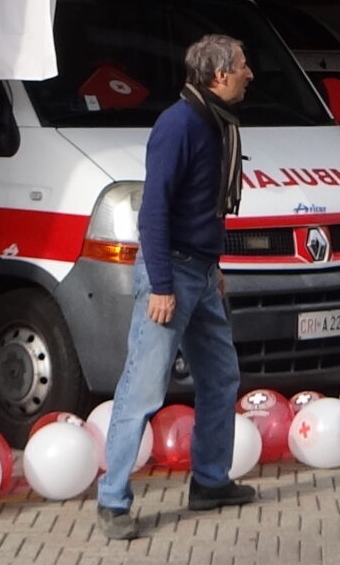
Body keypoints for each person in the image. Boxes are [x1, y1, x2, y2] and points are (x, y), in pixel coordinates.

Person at [96, 33, 261, 538]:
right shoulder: (180, 125)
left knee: (220, 377)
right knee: (142, 389)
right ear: (218, 76)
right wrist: (163, 286)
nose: (250, 74)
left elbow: (200, 208)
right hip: (170, 272)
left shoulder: (213, 122)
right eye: (243, 65)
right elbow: (154, 211)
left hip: (200, 272)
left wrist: (213, 269)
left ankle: (210, 481)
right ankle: (113, 502)